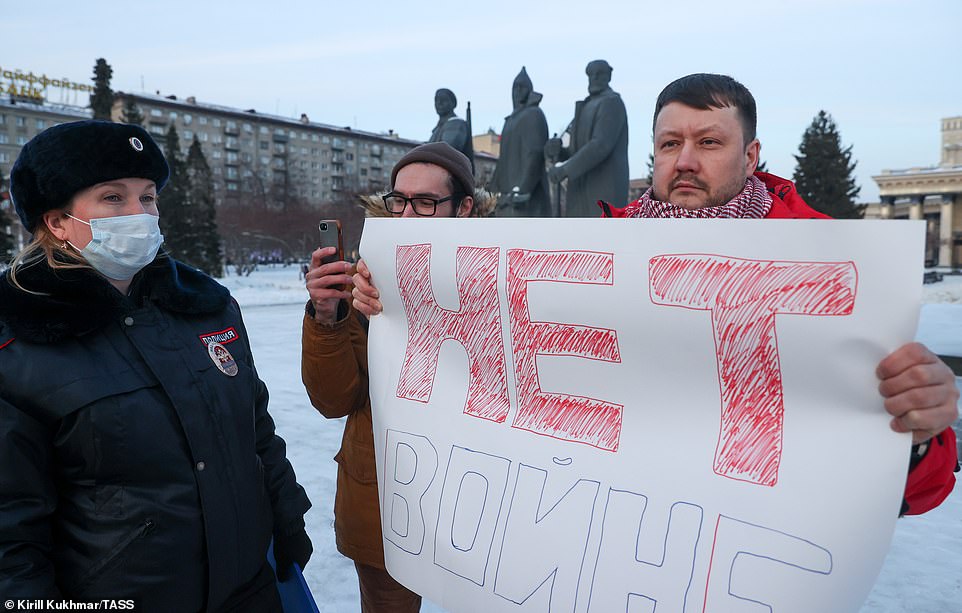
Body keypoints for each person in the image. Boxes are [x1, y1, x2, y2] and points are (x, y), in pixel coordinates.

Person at [603, 73, 958, 514]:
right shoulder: (591, 257)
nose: (685, 161)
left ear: (751, 156)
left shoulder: (835, 267)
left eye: (710, 142)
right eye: (670, 144)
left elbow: (918, 490)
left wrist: (919, 431)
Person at [0, 120, 312, 611]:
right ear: (57, 221)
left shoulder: (205, 306)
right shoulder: (20, 339)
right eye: (112, 198)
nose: (138, 214)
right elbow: (11, 524)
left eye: (148, 198)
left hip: (249, 587)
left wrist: (286, 517)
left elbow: (255, 433)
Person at [301, 142, 475, 612]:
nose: (407, 215)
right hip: (384, 499)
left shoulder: (503, 274)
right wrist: (328, 313)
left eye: (425, 203)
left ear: (463, 208)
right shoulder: (366, 279)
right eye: (398, 201)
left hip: (482, 496)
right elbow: (334, 398)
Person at [545, 59, 629, 217]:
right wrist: (559, 151)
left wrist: (565, 169)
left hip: (603, 191)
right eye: (591, 74)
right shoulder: (586, 106)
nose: (595, 78)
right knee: (577, 239)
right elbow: (577, 149)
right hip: (579, 191)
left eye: (600, 74)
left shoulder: (612, 103)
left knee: (601, 239)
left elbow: (600, 146)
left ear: (609, 76)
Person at [491, 67, 551, 217]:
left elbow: (535, 154)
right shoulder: (510, 121)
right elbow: (502, 160)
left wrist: (523, 189)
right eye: (515, 87)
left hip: (526, 201)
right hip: (506, 200)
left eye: (522, 87)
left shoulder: (534, 114)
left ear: (529, 90)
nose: (518, 90)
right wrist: (492, 190)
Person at [428, 88, 473, 165]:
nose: (439, 103)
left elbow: (446, 150)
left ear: (453, 103)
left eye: (443, 100)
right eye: (436, 100)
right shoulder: (438, 127)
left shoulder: (456, 124)